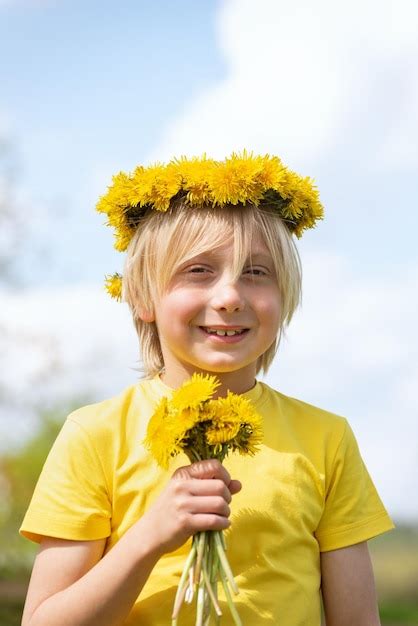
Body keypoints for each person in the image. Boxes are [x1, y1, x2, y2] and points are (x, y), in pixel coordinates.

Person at [19, 152, 394, 626]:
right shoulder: (94, 435)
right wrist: (148, 537)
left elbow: (358, 619)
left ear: (286, 296)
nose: (230, 297)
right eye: (198, 271)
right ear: (141, 297)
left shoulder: (326, 438)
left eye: (256, 273)